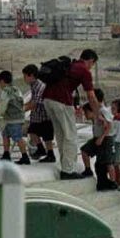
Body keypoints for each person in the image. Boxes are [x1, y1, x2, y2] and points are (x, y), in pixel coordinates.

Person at [41, 49, 100, 179]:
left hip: (47, 99)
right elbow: (90, 95)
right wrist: (98, 113)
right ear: (91, 60)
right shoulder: (84, 70)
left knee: (61, 134)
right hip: (61, 101)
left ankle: (65, 165)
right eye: (92, 64)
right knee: (71, 136)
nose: (91, 67)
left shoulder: (70, 65)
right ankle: (68, 170)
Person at [0, 70, 30, 165]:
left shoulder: (6, 92)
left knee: (17, 137)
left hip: (12, 119)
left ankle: (25, 156)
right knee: (5, 135)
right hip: (15, 118)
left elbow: (3, 105)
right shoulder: (16, 90)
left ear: (2, 81)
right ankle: (6, 154)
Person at [79, 88, 113, 189]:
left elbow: (109, 125)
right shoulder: (96, 111)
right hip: (97, 138)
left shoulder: (103, 110)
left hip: (104, 139)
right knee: (85, 151)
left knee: (106, 162)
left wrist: (102, 138)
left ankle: (112, 182)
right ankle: (88, 169)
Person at [22, 64, 56, 162]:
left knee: (47, 136)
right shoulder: (33, 86)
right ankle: (41, 149)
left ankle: (50, 154)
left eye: (25, 76)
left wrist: (23, 110)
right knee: (32, 132)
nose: (24, 79)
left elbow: (34, 103)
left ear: (31, 75)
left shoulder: (39, 86)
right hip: (37, 116)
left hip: (44, 115)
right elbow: (31, 101)